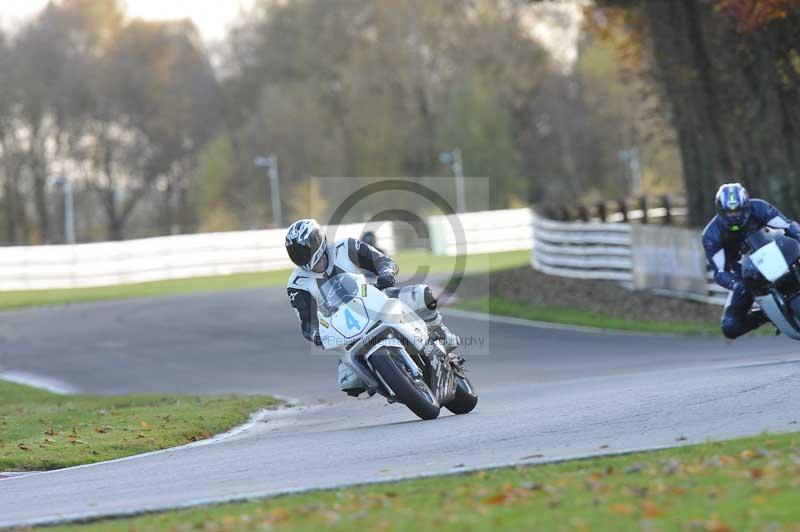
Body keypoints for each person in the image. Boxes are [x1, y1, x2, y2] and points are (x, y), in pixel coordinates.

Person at [285, 219, 460, 396]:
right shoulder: (297, 284)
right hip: (345, 328)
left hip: (376, 299)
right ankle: (387, 383)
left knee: (424, 296)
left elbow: (382, 261)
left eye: (304, 250)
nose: (302, 256)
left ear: (317, 241)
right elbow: (306, 321)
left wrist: (386, 273)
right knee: (350, 383)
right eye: (296, 253)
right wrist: (315, 335)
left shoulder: (345, 247)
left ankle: (440, 332)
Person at [701, 183, 800, 339]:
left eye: (738, 210)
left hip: (777, 254)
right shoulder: (711, 235)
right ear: (720, 211)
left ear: (746, 205)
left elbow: (787, 225)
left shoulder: (759, 207)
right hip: (747, 275)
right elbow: (720, 272)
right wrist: (736, 284)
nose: (734, 216)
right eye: (729, 212)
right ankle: (768, 314)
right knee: (730, 326)